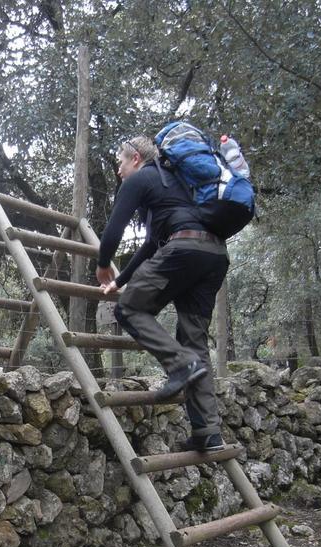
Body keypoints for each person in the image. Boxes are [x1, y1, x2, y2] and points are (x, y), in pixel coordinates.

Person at [95, 135, 229, 452]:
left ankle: (180, 364)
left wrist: (103, 266)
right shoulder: (176, 186)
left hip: (185, 249)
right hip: (214, 256)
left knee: (128, 310)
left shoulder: (141, 179)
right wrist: (120, 279)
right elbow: (150, 245)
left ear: (136, 159)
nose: (119, 171)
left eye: (121, 162)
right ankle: (208, 433)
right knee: (194, 341)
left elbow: (114, 230)